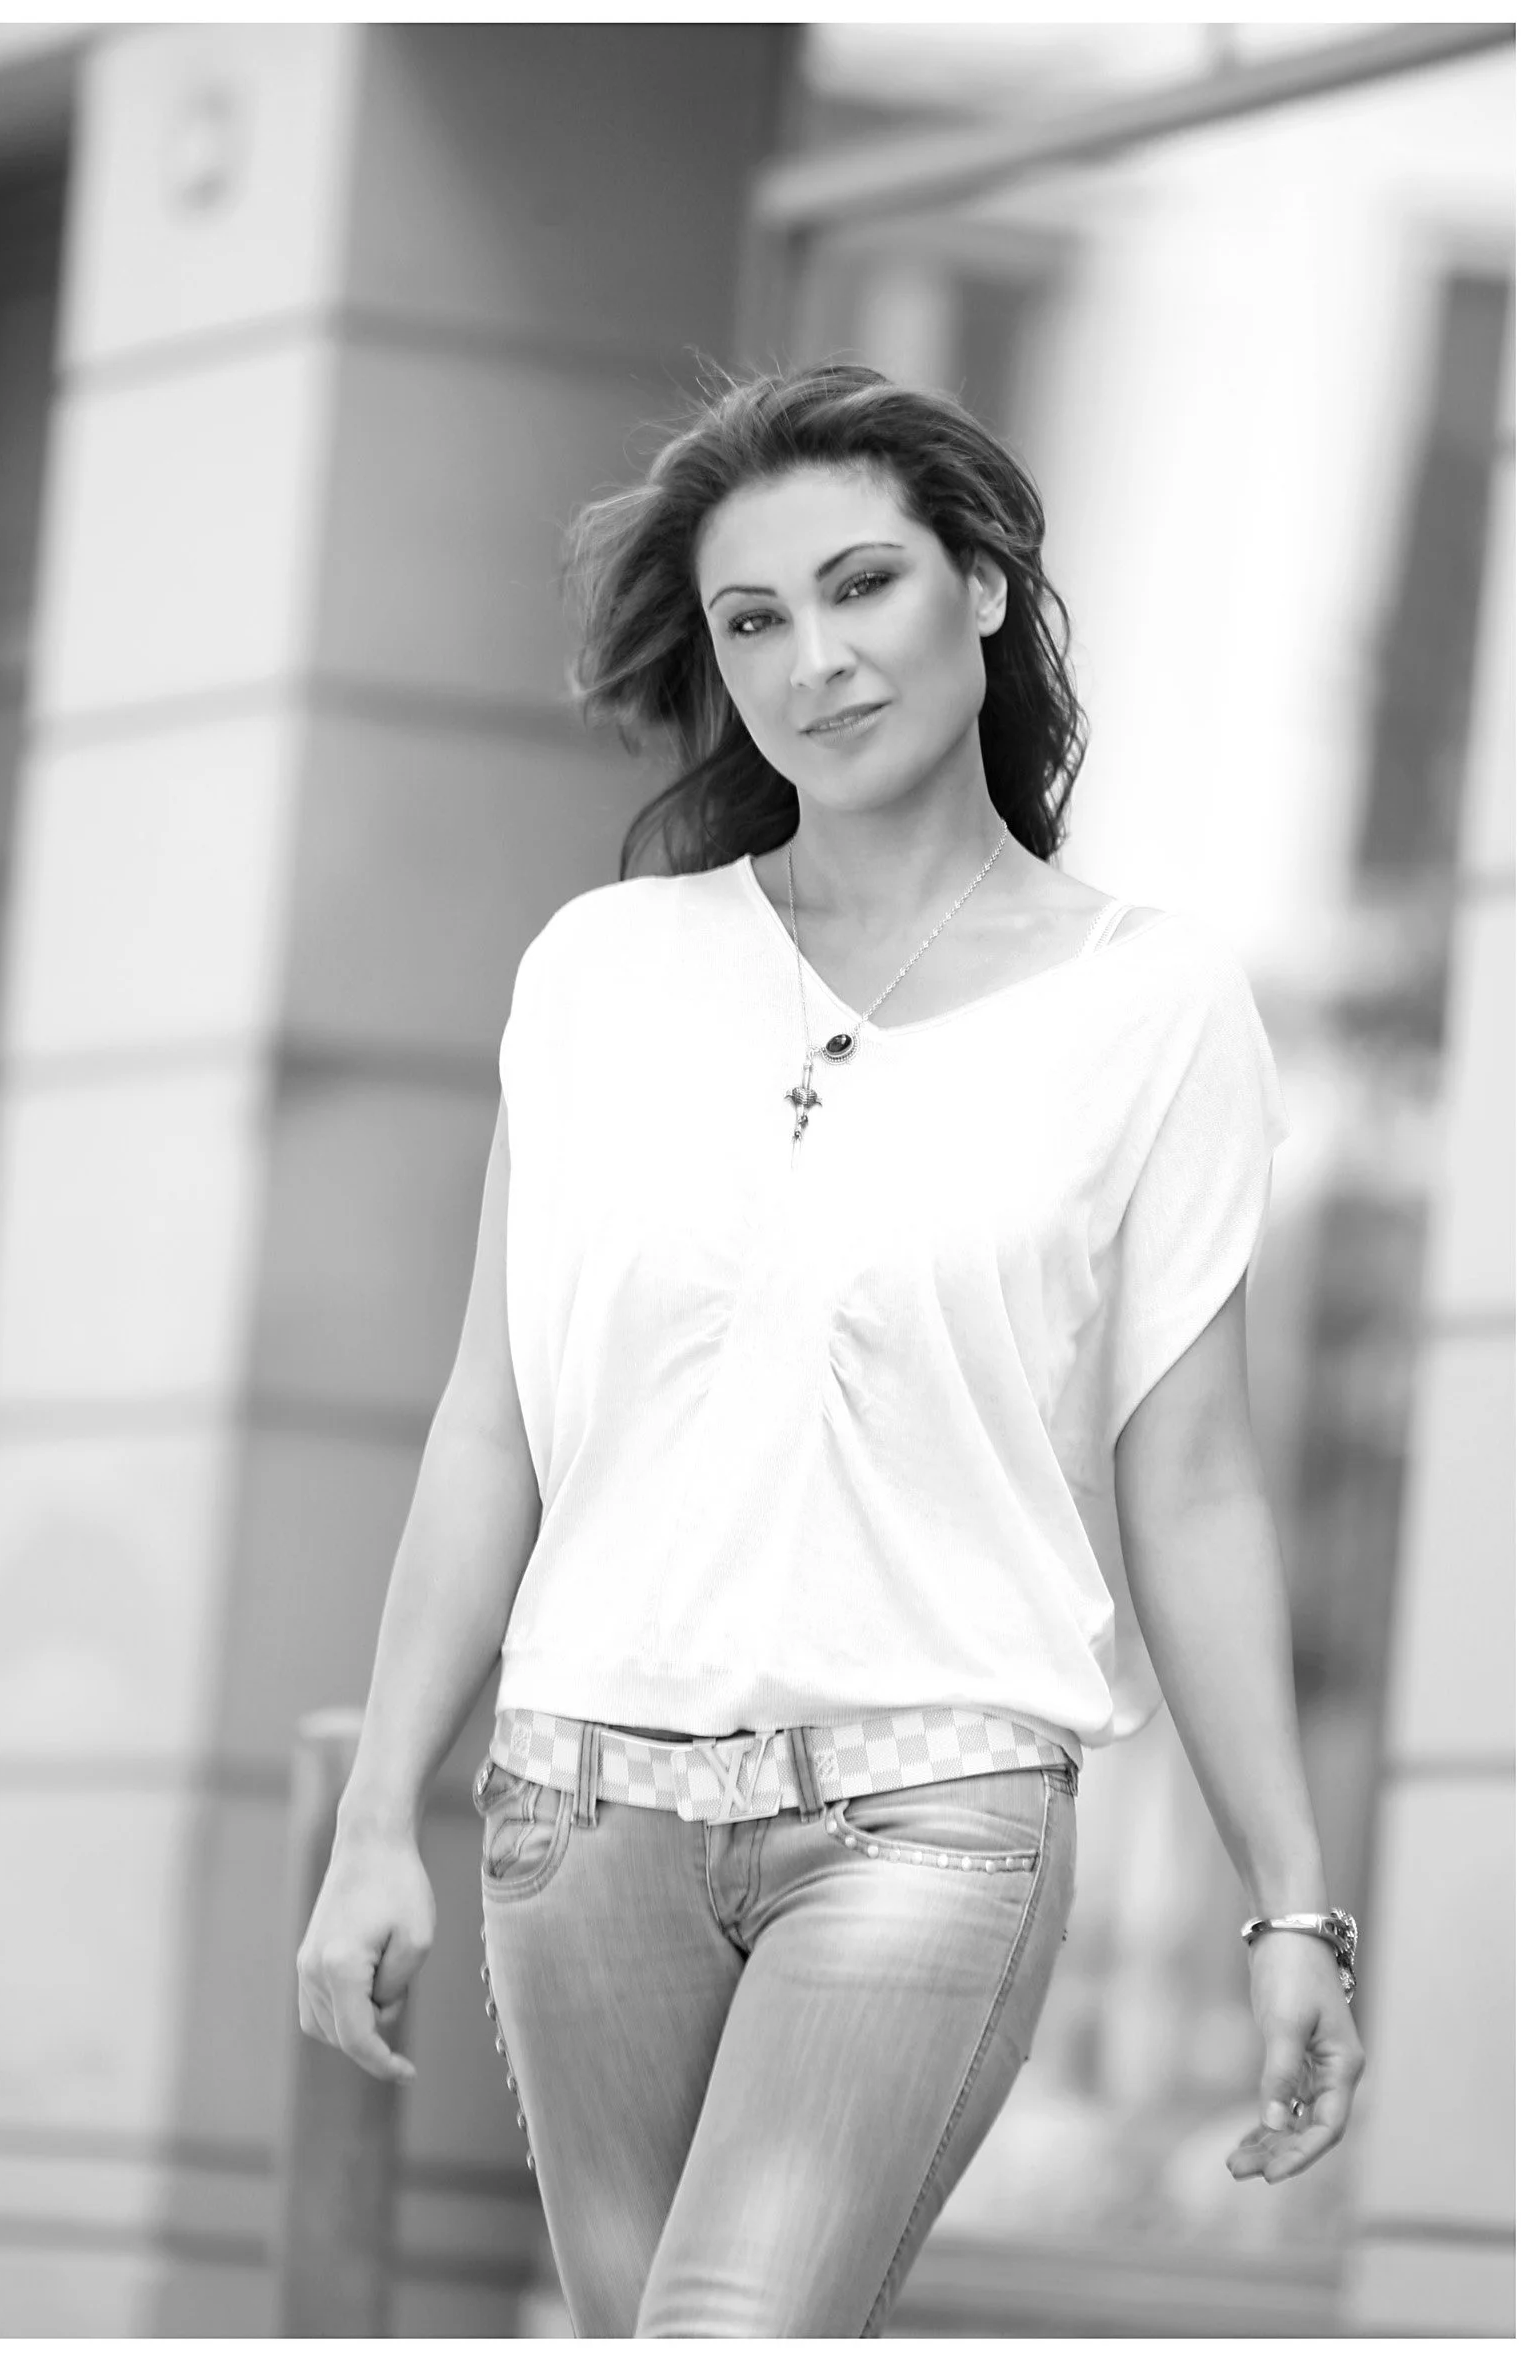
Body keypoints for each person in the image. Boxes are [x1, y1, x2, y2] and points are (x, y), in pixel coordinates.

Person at [296, 361, 1366, 2336]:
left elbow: (1190, 1472)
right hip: (576, 1812)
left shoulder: (1148, 1004)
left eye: (859, 584)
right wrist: (381, 1821)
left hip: (931, 1805)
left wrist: (1284, 1890)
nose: (815, 659)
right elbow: (487, 1424)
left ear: (980, 583)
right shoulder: (601, 972)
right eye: (751, 619)